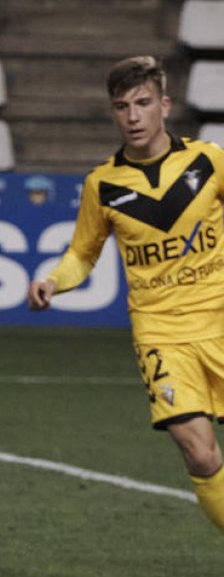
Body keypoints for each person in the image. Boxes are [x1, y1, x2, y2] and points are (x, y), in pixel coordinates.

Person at [28, 55, 224, 536]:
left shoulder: (208, 160)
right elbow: (83, 253)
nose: (133, 117)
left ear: (165, 105)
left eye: (142, 103)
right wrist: (54, 279)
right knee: (199, 452)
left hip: (220, 316)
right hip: (160, 334)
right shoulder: (104, 184)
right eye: (121, 106)